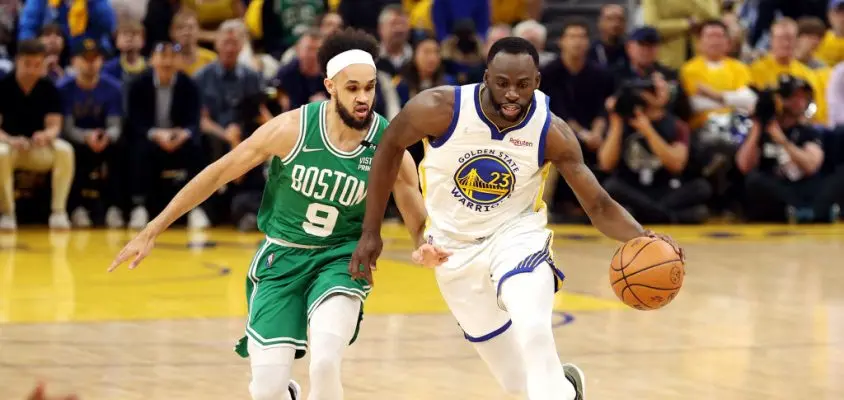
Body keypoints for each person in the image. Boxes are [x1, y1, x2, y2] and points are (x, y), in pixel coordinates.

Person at [108, 28, 438, 400]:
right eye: (352, 88)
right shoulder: (292, 129)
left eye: (370, 87)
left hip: (342, 258)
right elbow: (219, 172)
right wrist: (154, 228)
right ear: (330, 86)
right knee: (266, 391)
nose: (364, 98)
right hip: (282, 257)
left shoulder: (388, 144)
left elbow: (413, 207)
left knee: (326, 361)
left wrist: (422, 242)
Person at [349, 37, 683, 400]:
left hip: (517, 236)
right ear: (486, 77)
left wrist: (643, 237)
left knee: (533, 327)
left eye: (523, 85)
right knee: (517, 384)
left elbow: (598, 205)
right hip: (453, 250)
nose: (512, 94)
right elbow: (389, 149)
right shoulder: (439, 107)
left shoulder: (550, 130)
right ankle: (566, 390)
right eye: (502, 83)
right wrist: (371, 231)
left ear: (537, 81)